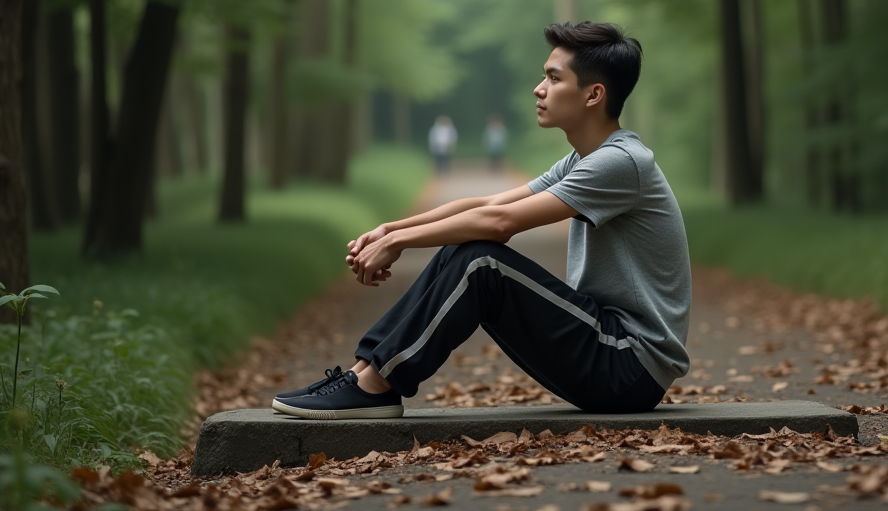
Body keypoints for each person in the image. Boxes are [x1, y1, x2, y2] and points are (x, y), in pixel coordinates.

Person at [271, 22, 691, 419]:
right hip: (605, 346)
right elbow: (486, 203)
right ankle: (364, 376)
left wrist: (399, 245)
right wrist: (392, 230)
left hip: (628, 365)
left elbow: (499, 223)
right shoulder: (584, 160)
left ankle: (376, 385)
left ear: (593, 94)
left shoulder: (622, 163)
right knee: (464, 246)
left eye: (554, 78)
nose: (539, 88)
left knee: (482, 261)